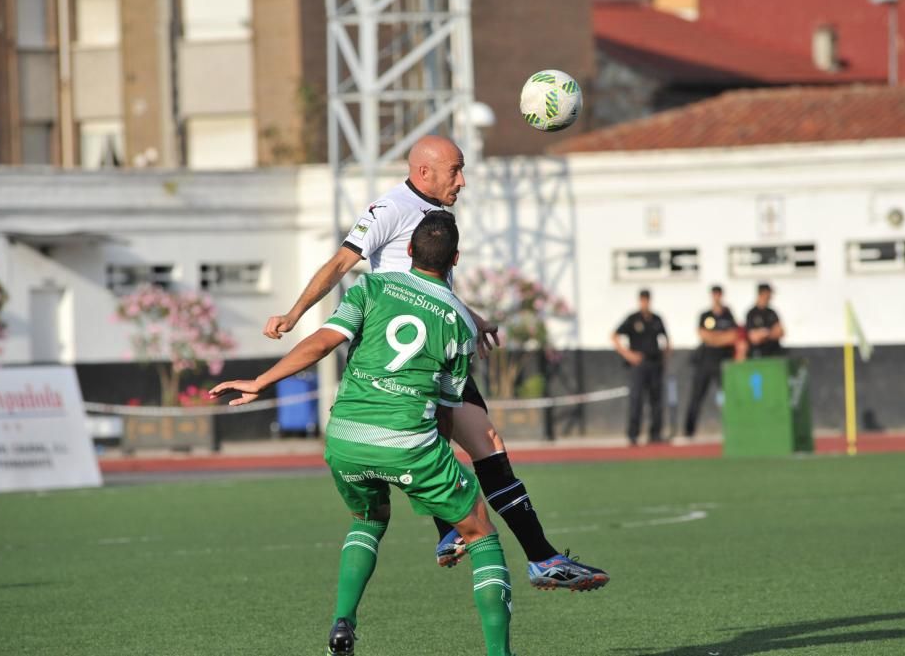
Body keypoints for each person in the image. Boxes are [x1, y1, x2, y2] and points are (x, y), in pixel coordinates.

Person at [262, 135, 608, 591]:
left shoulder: (434, 217)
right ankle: (531, 556)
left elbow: (427, 286)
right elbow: (339, 264)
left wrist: (472, 316)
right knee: (481, 444)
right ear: (424, 172)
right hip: (403, 354)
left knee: (480, 444)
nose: (462, 181)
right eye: (455, 170)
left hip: (427, 342)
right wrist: (294, 313)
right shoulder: (390, 209)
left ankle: (470, 538)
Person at [211, 213, 515, 656]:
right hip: (410, 445)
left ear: (408, 250)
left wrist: (261, 381)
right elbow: (446, 409)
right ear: (455, 259)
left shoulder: (370, 288)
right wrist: (434, 467)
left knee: (369, 519)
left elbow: (320, 344)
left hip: (345, 437)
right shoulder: (460, 321)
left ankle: (342, 620)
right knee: (481, 532)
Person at [611, 289, 670, 445]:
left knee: (656, 399)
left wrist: (663, 357)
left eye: (647, 300)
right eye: (643, 300)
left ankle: (655, 434)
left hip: (655, 363)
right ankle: (633, 434)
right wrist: (628, 354)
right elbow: (614, 336)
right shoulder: (632, 319)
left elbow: (667, 340)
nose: (645, 303)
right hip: (639, 365)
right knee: (636, 399)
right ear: (640, 301)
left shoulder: (657, 319)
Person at [683, 285, 738, 439]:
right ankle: (689, 431)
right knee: (696, 397)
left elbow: (733, 336)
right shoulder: (705, 315)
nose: (717, 297)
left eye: (719, 294)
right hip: (705, 362)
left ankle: (732, 429)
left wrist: (715, 339)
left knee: (727, 397)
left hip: (724, 362)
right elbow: (704, 336)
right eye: (714, 294)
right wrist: (721, 338)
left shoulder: (728, 315)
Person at [745, 283, 785, 357]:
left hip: (774, 352)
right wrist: (771, 332)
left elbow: (781, 332)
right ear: (763, 293)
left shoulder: (772, 312)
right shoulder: (751, 313)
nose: (771, 297)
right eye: (769, 294)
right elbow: (754, 338)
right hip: (759, 354)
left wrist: (765, 333)